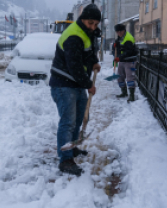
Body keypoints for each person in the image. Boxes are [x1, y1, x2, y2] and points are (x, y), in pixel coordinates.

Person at [49, 3, 102, 176]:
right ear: (83, 19)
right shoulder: (73, 36)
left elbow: (87, 52)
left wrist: (93, 60)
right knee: (68, 122)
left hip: (75, 84)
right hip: (63, 84)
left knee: (79, 118)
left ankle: (71, 148)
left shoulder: (84, 33)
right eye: (90, 23)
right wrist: (89, 85)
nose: (93, 27)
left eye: (96, 24)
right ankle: (65, 159)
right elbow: (75, 67)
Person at [113, 24, 138, 102]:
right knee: (120, 77)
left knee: (130, 78)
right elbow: (119, 46)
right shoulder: (121, 37)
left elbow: (128, 52)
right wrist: (115, 45)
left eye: (120, 31)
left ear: (124, 30)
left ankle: (132, 95)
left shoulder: (128, 38)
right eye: (117, 32)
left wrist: (119, 57)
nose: (119, 33)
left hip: (130, 60)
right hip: (123, 60)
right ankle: (124, 92)